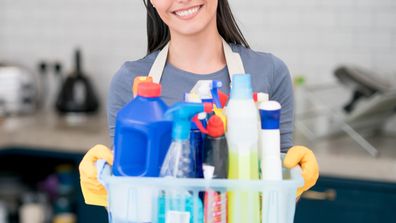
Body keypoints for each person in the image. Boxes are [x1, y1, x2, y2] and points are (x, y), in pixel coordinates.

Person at [79, 0, 319, 206]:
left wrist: (292, 181)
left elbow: (277, 195)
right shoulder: (130, 81)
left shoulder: (269, 72)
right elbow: (130, 201)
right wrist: (106, 185)